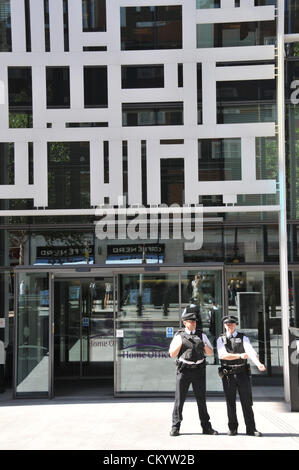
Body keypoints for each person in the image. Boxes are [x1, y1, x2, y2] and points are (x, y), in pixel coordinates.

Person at [169, 308, 218, 437]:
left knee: (201, 400)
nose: (193, 323)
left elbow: (210, 353)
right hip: (184, 370)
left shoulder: (202, 335)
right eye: (190, 322)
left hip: (199, 370)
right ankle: (175, 427)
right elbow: (171, 354)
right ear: (185, 323)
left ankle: (206, 427)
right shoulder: (179, 335)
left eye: (195, 321)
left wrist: (202, 344)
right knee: (179, 400)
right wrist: (181, 343)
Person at [217, 315, 266, 437]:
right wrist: (239, 355)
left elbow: (250, 351)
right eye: (227, 324)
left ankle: (251, 429)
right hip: (228, 373)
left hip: (242, 373)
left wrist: (259, 364)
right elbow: (223, 355)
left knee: (246, 402)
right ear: (224, 325)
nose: (230, 326)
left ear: (236, 325)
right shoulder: (220, 339)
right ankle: (232, 428)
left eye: (232, 324)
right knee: (230, 402)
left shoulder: (243, 337)